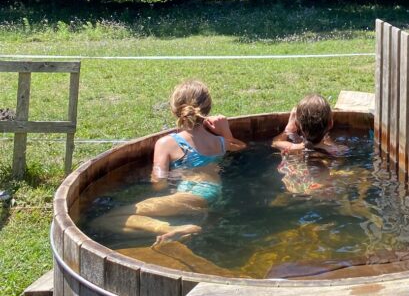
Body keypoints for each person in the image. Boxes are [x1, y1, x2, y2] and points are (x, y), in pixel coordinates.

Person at [92, 79, 245, 244]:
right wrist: (224, 130)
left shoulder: (168, 143)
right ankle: (175, 229)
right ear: (207, 109)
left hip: (192, 193)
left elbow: (159, 182)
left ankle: (171, 229)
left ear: (174, 110)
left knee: (107, 220)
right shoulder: (220, 141)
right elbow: (241, 147)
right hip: (214, 191)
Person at [272, 94, 347, 158]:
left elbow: (275, 142)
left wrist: (288, 129)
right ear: (330, 124)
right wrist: (327, 138)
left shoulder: (291, 148)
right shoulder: (338, 150)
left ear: (297, 124)